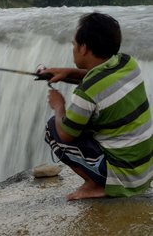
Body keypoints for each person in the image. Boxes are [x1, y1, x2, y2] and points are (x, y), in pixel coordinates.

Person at [43, 12, 153, 200]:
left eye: (74, 45)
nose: (73, 49)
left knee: (53, 127)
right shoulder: (128, 63)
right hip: (143, 172)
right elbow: (100, 79)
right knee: (88, 120)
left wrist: (58, 105)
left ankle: (95, 184)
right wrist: (68, 72)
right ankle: (104, 177)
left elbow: (65, 134)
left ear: (84, 48)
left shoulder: (87, 92)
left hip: (123, 178)